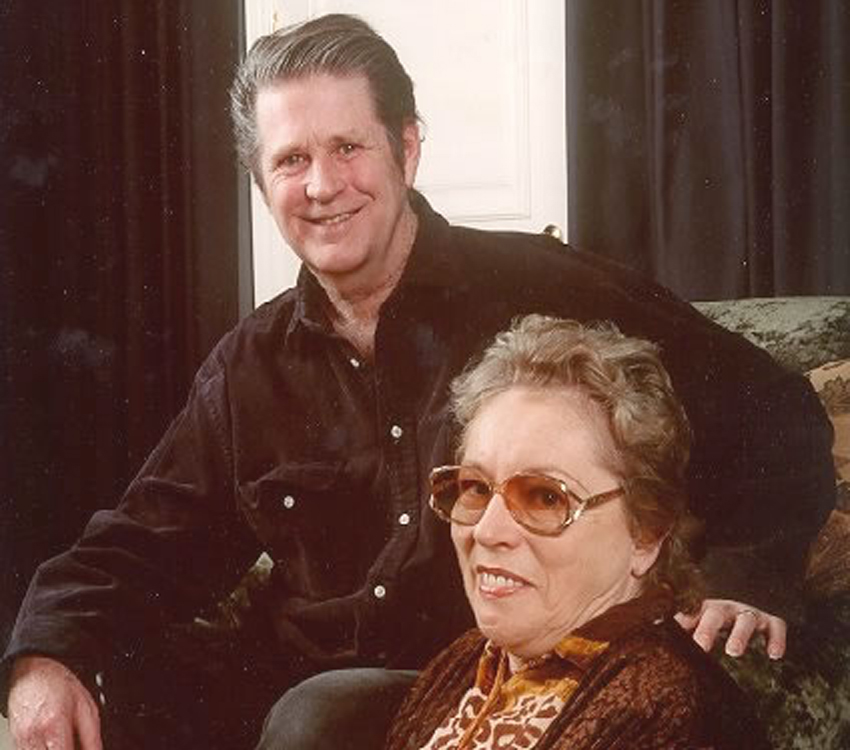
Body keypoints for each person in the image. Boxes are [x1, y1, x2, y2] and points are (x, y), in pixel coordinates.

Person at [2, 12, 833, 750]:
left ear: (406, 148)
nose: (322, 187)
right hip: (294, 687)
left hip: (472, 687)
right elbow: (142, 542)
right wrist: (46, 655)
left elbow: (773, 412)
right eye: (291, 160)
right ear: (260, 183)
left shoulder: (547, 290)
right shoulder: (248, 365)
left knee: (320, 716)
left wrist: (746, 572)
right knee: (101, 695)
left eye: (347, 148)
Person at [385, 314, 771, 750]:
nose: (488, 532)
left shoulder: (661, 703)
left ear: (646, 532)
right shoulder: (467, 660)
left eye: (545, 497)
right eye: (476, 488)